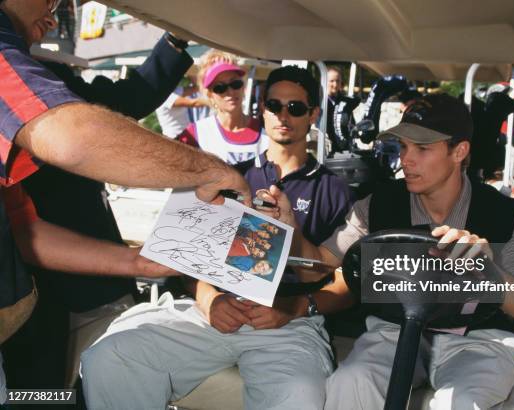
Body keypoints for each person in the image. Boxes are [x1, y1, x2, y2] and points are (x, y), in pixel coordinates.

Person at [0, 0, 250, 401]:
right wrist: (205, 169)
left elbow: (23, 227)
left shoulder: (45, 72)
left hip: (64, 284)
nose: (53, 11)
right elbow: (71, 134)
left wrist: (137, 262)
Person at [80, 66, 353, 410]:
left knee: (298, 395)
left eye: (296, 108)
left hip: (288, 321)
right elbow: (189, 263)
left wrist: (292, 242)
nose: (283, 116)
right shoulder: (230, 178)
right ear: (262, 110)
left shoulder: (336, 191)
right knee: (107, 358)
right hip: (218, 310)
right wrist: (211, 302)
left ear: (313, 113)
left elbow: (342, 286)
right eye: (274, 105)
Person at [259, 93, 514, 409]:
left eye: (422, 149)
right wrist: (291, 229)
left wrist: (490, 270)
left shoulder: (503, 215)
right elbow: (316, 266)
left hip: (476, 341)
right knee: (350, 380)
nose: (406, 159)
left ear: (459, 151)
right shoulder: (378, 205)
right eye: (404, 147)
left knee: (463, 402)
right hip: (393, 333)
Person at [2, 31, 195, 395]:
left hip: (83, 282)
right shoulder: (46, 101)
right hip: (39, 293)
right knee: (41, 389)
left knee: (77, 384)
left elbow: (128, 99)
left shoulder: (65, 99)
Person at [177, 49, 268, 164]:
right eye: (219, 87)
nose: (230, 92)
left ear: (243, 87)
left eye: (235, 84)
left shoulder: (266, 131)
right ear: (209, 95)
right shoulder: (195, 134)